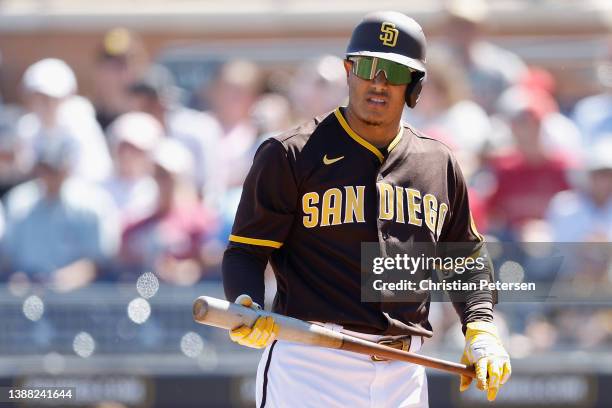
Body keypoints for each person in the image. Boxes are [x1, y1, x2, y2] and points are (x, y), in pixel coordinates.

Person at [222, 11, 511, 407]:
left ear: (415, 84)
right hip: (310, 363)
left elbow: (465, 258)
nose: (378, 83)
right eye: (367, 67)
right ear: (348, 70)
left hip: (404, 368)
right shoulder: (291, 153)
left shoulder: (437, 163)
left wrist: (480, 327)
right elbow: (245, 251)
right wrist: (246, 303)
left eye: (393, 71)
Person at [1, 135, 119, 289]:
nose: (48, 175)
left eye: (53, 170)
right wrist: (18, 278)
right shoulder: (19, 201)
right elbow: (9, 258)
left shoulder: (92, 203)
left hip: (80, 302)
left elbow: (101, 260)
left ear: (66, 169)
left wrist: (69, 277)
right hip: (29, 296)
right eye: (44, 169)